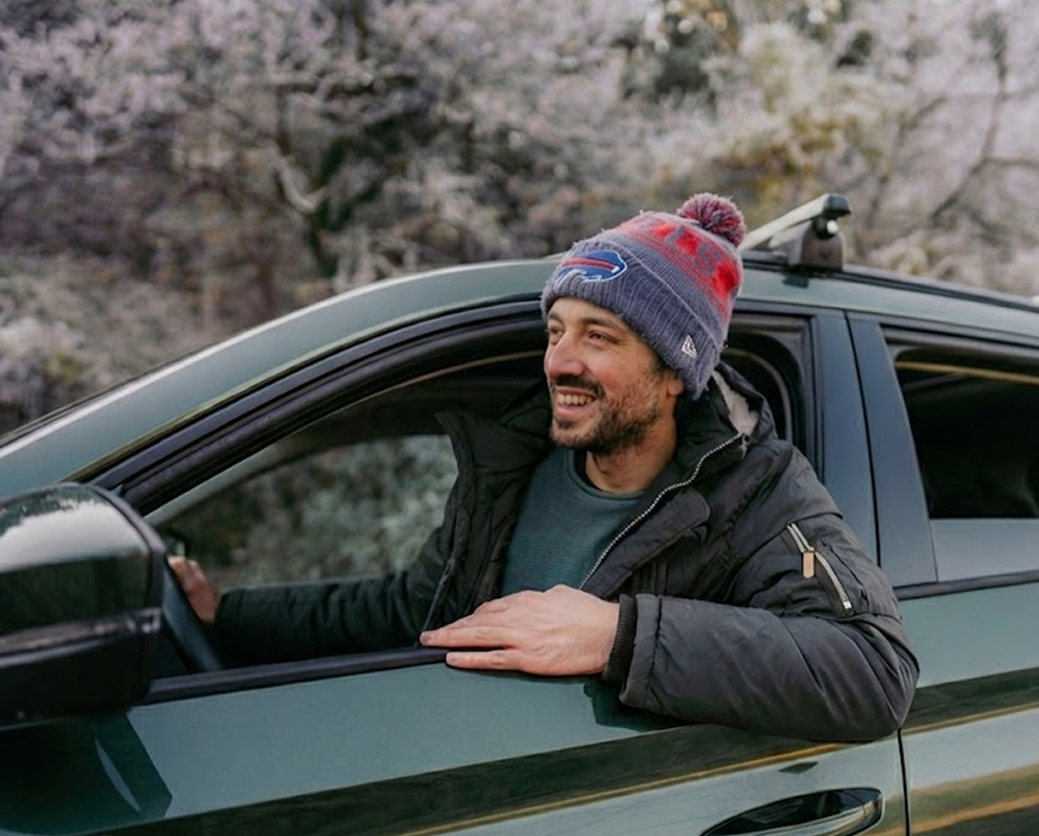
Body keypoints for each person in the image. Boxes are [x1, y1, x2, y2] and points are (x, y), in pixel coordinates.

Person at [171, 193, 918, 742]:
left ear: (672, 375)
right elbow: (415, 609)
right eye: (556, 329)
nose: (561, 360)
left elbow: (873, 672)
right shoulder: (513, 466)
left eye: (599, 335)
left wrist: (619, 637)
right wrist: (229, 615)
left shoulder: (755, 494)